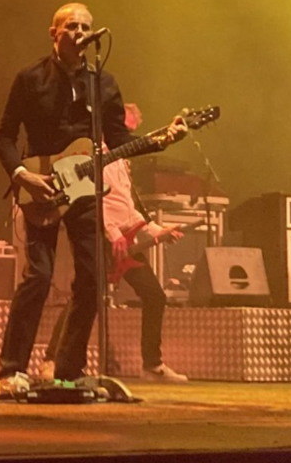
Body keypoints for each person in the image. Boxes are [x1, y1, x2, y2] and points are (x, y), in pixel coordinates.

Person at [0, 3, 189, 395]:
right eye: (72, 26)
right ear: (54, 33)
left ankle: (68, 369)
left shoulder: (103, 83)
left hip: (85, 190)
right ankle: (10, 371)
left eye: (86, 26)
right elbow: (3, 135)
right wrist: (22, 174)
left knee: (92, 279)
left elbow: (117, 139)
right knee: (40, 276)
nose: (80, 31)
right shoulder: (30, 78)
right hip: (41, 186)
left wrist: (161, 140)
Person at [39, 103, 188, 383]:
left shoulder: (122, 161)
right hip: (102, 236)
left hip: (124, 239)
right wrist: (113, 234)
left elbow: (128, 208)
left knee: (154, 296)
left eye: (131, 130)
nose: (128, 135)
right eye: (125, 128)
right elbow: (94, 199)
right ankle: (50, 361)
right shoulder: (92, 155)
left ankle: (152, 366)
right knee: (84, 298)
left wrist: (157, 230)